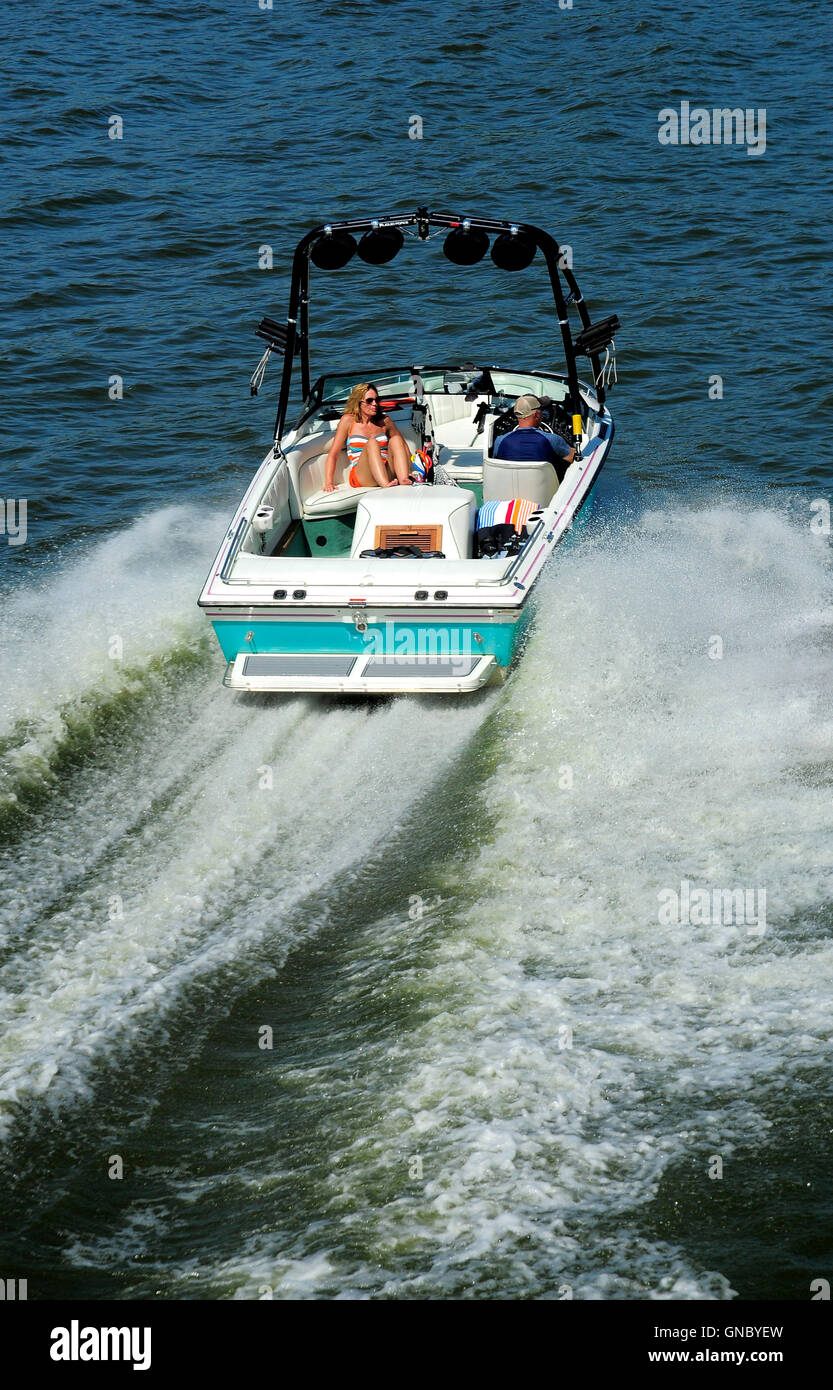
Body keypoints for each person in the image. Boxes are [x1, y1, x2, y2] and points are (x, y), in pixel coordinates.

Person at [323, 382, 413, 491]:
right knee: (372, 443)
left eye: (377, 400)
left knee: (396, 439)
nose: (375, 404)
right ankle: (386, 486)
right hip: (363, 475)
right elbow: (333, 454)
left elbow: (403, 446)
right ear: (358, 402)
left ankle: (404, 479)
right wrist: (329, 482)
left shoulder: (384, 421)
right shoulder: (348, 421)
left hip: (386, 471)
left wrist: (408, 471)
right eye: (369, 400)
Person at [493, 393, 575, 481]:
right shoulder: (553, 440)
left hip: (510, 492)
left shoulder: (499, 441)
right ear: (537, 414)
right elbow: (574, 458)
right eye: (541, 410)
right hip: (545, 492)